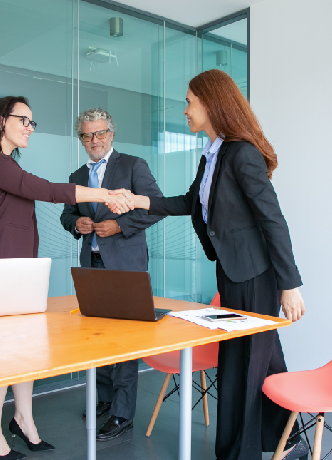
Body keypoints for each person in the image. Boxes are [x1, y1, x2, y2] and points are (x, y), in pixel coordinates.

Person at [111, 70, 307, 460]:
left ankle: (240, 453)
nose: (184, 110)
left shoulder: (241, 153)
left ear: (210, 103)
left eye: (189, 101)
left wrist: (290, 284)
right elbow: (189, 202)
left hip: (256, 275)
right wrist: (139, 201)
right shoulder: (213, 155)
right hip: (233, 272)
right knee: (261, 358)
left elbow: (273, 219)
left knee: (244, 365)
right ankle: (290, 440)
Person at [0, 97, 131, 460]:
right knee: (0, 353)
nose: (29, 127)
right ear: (0, 120)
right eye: (23, 120)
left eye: (31, 122)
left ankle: (23, 418)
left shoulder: (5, 163)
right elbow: (46, 190)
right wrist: (103, 193)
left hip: (19, 269)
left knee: (24, 349)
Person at [60, 108, 163, 441]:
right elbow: (67, 213)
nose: (94, 140)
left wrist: (120, 224)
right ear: (81, 139)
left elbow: (155, 205)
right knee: (98, 338)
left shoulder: (133, 166)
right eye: (88, 135)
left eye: (100, 133)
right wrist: (76, 223)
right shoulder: (77, 174)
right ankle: (104, 399)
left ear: (111, 134)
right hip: (92, 268)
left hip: (125, 266)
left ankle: (122, 412)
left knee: (126, 341)